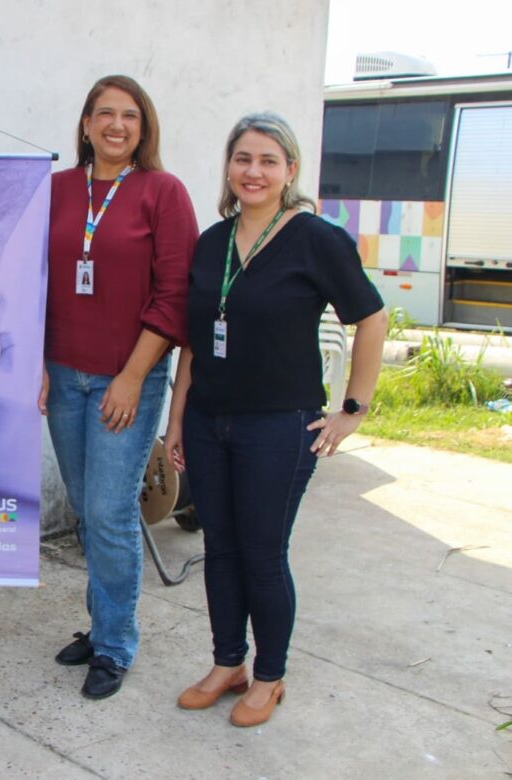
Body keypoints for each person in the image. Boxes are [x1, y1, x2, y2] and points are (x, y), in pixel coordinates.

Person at [163, 112, 386, 727]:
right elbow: (195, 342)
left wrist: (353, 410)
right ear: (228, 167)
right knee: (220, 547)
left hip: (278, 427)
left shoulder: (316, 238)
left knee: (262, 552)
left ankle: (269, 676)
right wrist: (178, 419)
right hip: (209, 421)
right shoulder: (212, 241)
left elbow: (371, 318)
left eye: (267, 160)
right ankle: (227, 663)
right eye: (242, 159)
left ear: (290, 170)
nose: (253, 171)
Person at [39, 75, 198, 700]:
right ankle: (102, 622)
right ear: (84, 125)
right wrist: (35, 363)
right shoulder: (53, 190)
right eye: (104, 114)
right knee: (87, 507)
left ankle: (115, 643)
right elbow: (31, 280)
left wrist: (132, 377)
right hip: (63, 373)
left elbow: (174, 294)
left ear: (144, 127)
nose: (116, 125)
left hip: (125, 376)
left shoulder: (162, 192)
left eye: (129, 115)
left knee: (109, 513)